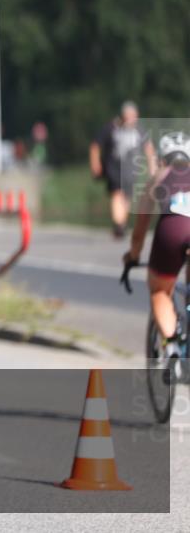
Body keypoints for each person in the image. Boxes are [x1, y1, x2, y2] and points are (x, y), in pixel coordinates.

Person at [124, 131, 190, 379]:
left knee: (161, 291)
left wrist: (133, 255)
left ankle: (171, 346)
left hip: (172, 230)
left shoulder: (158, 177)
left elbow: (141, 227)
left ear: (163, 158)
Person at [90, 101, 157, 238]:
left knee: (126, 196)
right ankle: (118, 224)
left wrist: (152, 168)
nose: (131, 119)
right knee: (116, 193)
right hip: (113, 168)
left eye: (133, 116)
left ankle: (121, 223)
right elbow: (95, 145)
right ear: (123, 115)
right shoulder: (111, 127)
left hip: (131, 170)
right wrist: (95, 163)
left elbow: (149, 148)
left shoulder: (139, 129)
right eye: (129, 116)